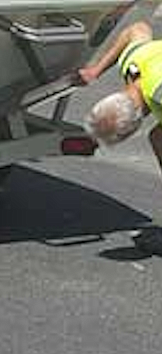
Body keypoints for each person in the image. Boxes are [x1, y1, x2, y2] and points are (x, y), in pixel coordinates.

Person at [78, 19, 162, 253]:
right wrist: (96, 70)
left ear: (134, 127)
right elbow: (138, 28)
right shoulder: (134, 64)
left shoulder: (158, 93)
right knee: (157, 137)